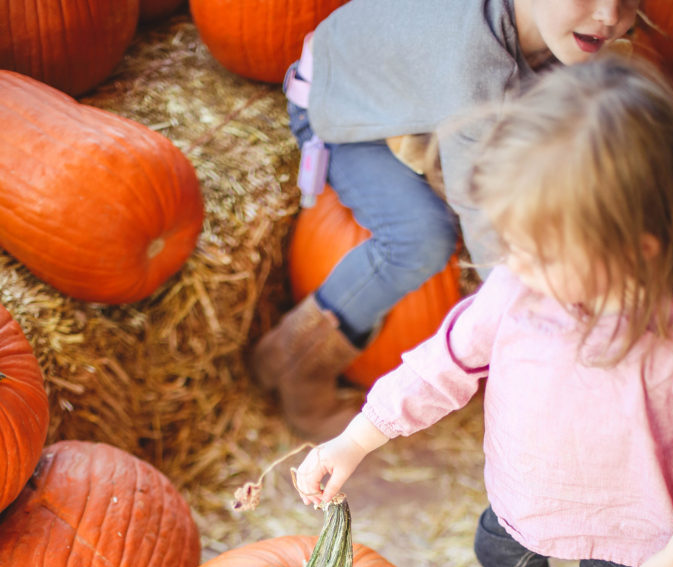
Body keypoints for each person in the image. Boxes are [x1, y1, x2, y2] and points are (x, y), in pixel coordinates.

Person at [292, 55, 673, 567]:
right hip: (523, 494)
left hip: (631, 528)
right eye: (516, 242)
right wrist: (358, 438)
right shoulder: (518, 292)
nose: (517, 263)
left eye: (541, 249)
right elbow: (441, 365)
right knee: (500, 553)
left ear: (639, 249)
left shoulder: (667, 337)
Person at [248, 0, 642, 440]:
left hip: (421, 92)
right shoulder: (472, 55)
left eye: (629, 0)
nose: (610, 15)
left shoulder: (565, 34)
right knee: (419, 238)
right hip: (349, 108)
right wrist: (523, 307)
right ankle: (293, 361)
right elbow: (476, 201)